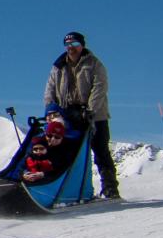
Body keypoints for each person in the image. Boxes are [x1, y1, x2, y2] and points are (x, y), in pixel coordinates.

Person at [44, 30, 119, 200]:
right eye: (68, 45)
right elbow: (50, 89)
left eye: (75, 44)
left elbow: (100, 88)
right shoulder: (58, 66)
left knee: (100, 151)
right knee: (69, 153)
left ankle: (110, 187)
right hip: (68, 115)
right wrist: (51, 109)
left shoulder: (94, 64)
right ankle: (70, 190)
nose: (71, 48)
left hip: (95, 115)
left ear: (82, 45)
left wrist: (90, 109)